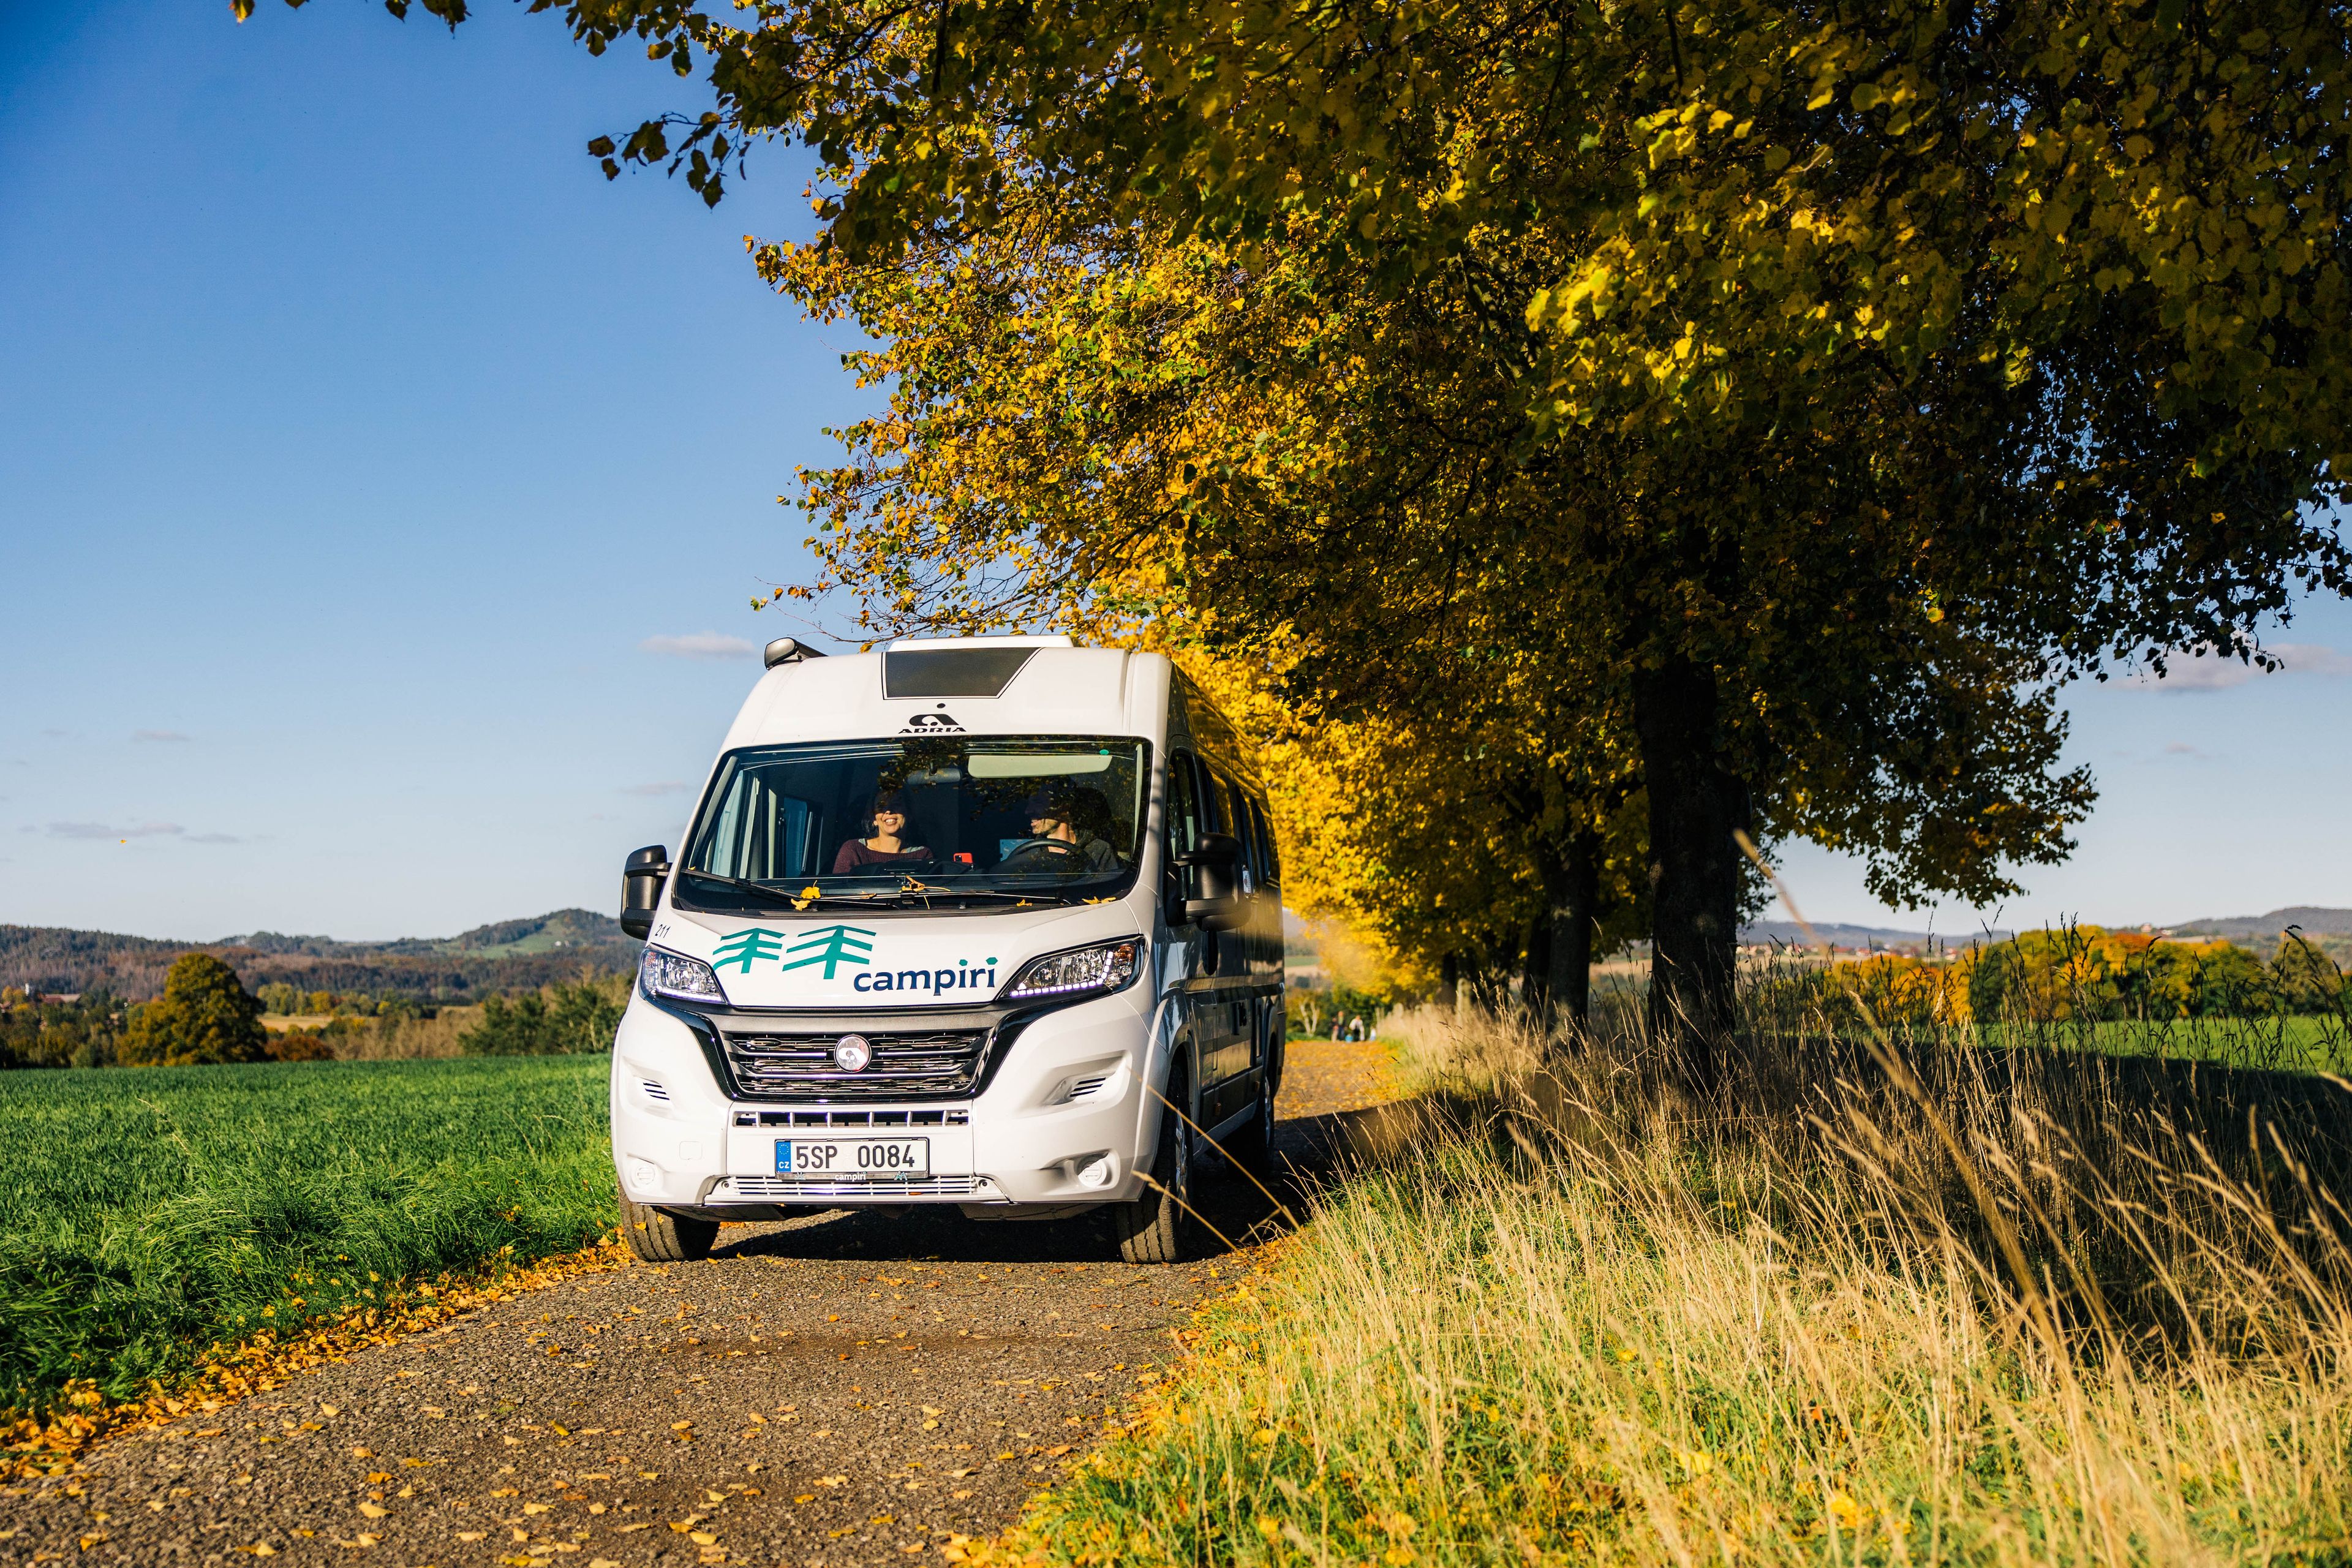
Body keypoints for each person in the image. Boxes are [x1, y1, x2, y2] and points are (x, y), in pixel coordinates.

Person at [998, 786, 1120, 874]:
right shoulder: (1026, 855)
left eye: (1038, 803)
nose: (1028, 811)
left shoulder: (1098, 850)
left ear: (1063, 808)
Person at [832, 794, 933, 875]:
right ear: (874, 819)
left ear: (909, 814)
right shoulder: (853, 850)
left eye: (896, 804)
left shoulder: (923, 855)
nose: (888, 811)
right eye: (881, 806)